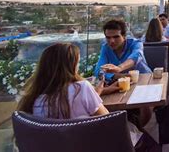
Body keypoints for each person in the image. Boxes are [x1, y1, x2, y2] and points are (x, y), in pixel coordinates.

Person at [17, 43, 155, 150]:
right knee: (138, 130)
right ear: (71, 66)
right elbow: (109, 122)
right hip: (91, 146)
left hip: (60, 147)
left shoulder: (33, 98)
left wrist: (97, 93)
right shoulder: (81, 87)